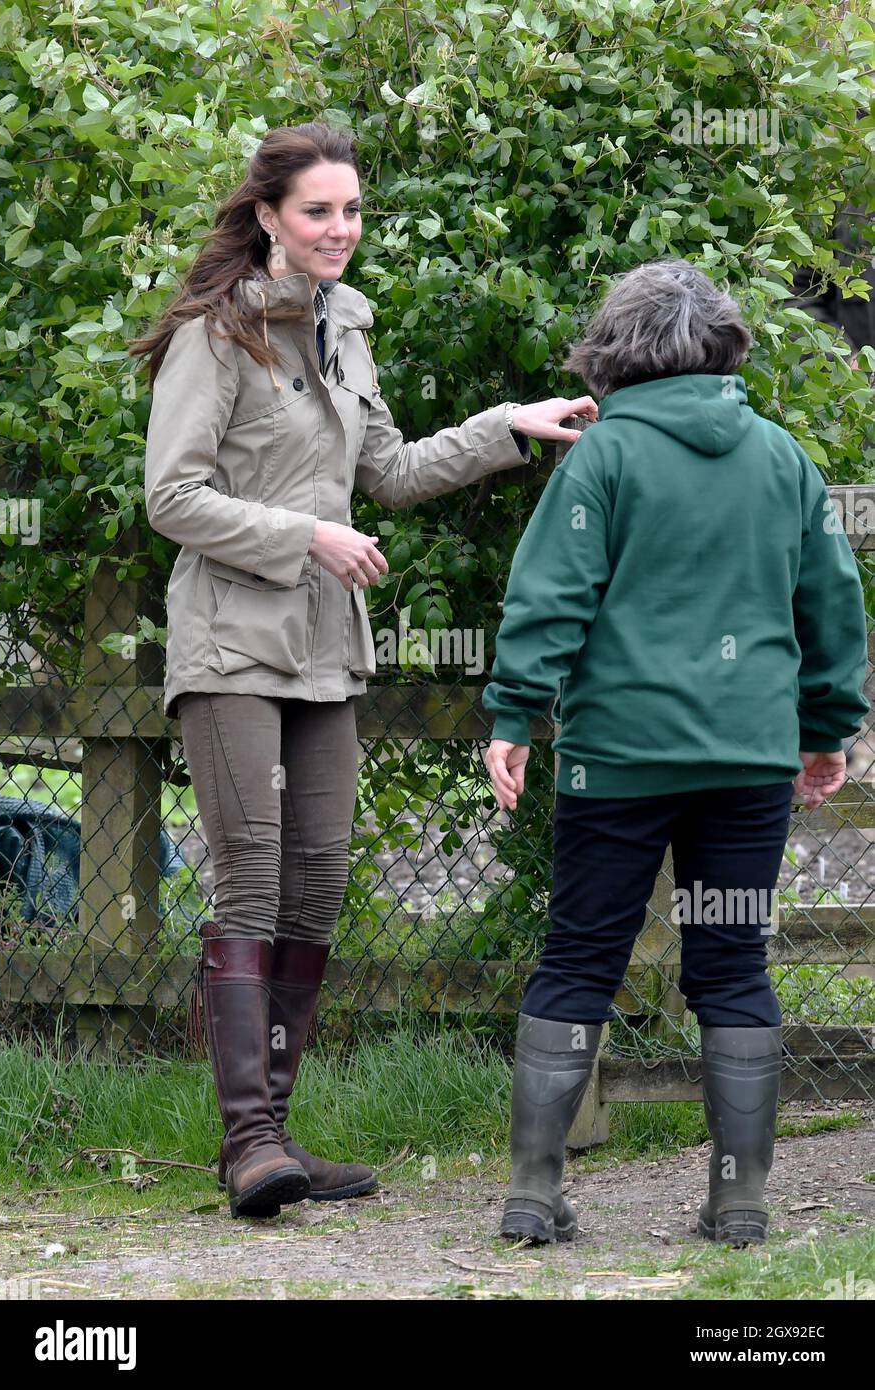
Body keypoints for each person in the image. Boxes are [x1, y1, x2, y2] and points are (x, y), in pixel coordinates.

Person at [130, 120, 598, 1219]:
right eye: (316, 212)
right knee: (249, 877)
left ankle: (274, 1134)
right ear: (266, 219)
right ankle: (247, 1143)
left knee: (320, 882)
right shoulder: (214, 336)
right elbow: (173, 496)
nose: (338, 230)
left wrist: (505, 427)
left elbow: (382, 473)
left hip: (326, 650)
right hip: (232, 641)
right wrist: (304, 536)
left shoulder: (347, 326)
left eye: (349, 211)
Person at [482, 257, 870, 1247]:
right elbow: (831, 606)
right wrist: (823, 732)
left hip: (614, 759)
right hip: (745, 762)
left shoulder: (602, 461)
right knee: (731, 968)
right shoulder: (779, 459)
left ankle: (532, 1191)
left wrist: (514, 713)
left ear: (616, 353)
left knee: (575, 960)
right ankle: (736, 1201)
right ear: (724, 348)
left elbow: (547, 599)